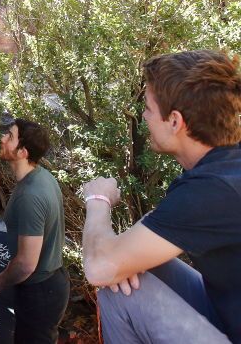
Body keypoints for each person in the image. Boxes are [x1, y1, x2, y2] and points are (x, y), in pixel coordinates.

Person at [82, 50, 241, 344]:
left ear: (175, 121)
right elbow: (147, 235)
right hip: (227, 316)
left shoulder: (212, 191)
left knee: (116, 291)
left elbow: (96, 268)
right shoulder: (221, 171)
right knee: (140, 263)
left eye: (149, 108)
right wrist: (122, 262)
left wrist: (98, 200)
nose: (144, 116)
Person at [0, 118, 69, 344]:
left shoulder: (30, 196)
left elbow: (26, 264)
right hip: (51, 283)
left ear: (23, 152)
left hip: (39, 292)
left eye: (10, 137)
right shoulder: (41, 176)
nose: (3, 139)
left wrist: (0, 281)